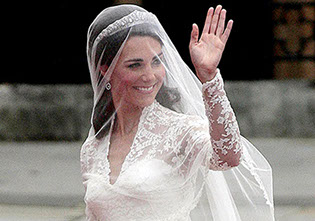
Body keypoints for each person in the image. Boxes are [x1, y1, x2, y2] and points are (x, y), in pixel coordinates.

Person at [80, 4, 275, 220]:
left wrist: (209, 79)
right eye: (135, 65)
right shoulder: (92, 148)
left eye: (156, 62)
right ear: (105, 69)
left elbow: (228, 156)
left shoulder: (179, 130)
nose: (150, 76)